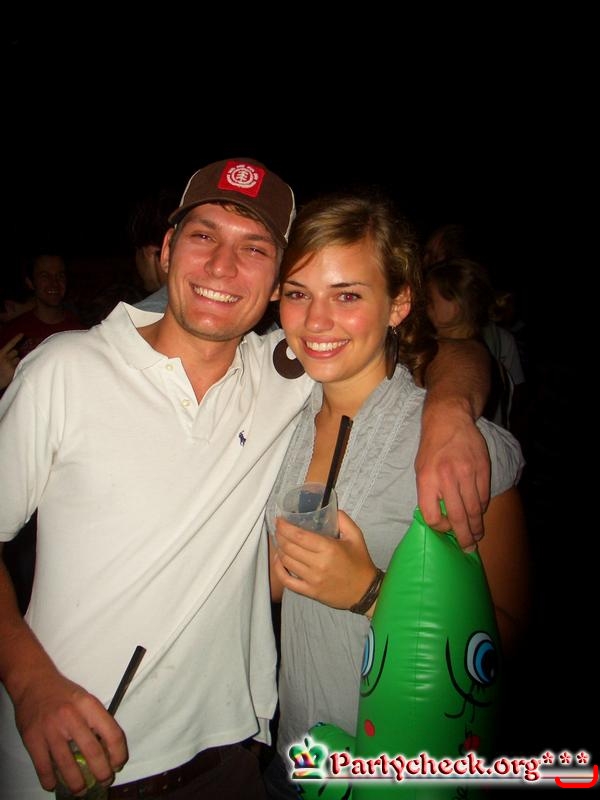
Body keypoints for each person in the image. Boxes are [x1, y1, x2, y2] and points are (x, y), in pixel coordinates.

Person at [1, 158, 491, 800]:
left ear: (276, 282)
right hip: (67, 764)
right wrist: (30, 682)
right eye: (203, 236)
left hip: (229, 760)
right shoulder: (65, 371)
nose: (222, 266)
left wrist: (451, 410)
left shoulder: (282, 372)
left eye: (254, 248)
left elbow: (442, 343)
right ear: (167, 250)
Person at [262, 191, 530, 799]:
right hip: (296, 760)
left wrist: (372, 594)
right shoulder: (276, 423)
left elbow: (508, 637)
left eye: (347, 296)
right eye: (299, 293)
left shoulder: (458, 449)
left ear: (399, 303)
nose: (316, 321)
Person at [424, 256, 523, 431]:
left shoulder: (457, 357)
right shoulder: (482, 353)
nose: (424, 305)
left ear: (455, 306)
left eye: (430, 300)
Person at [0, 253, 83, 391]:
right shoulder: (13, 333)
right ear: (30, 283)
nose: (54, 283)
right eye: (45, 276)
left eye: (60, 276)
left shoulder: (79, 331)